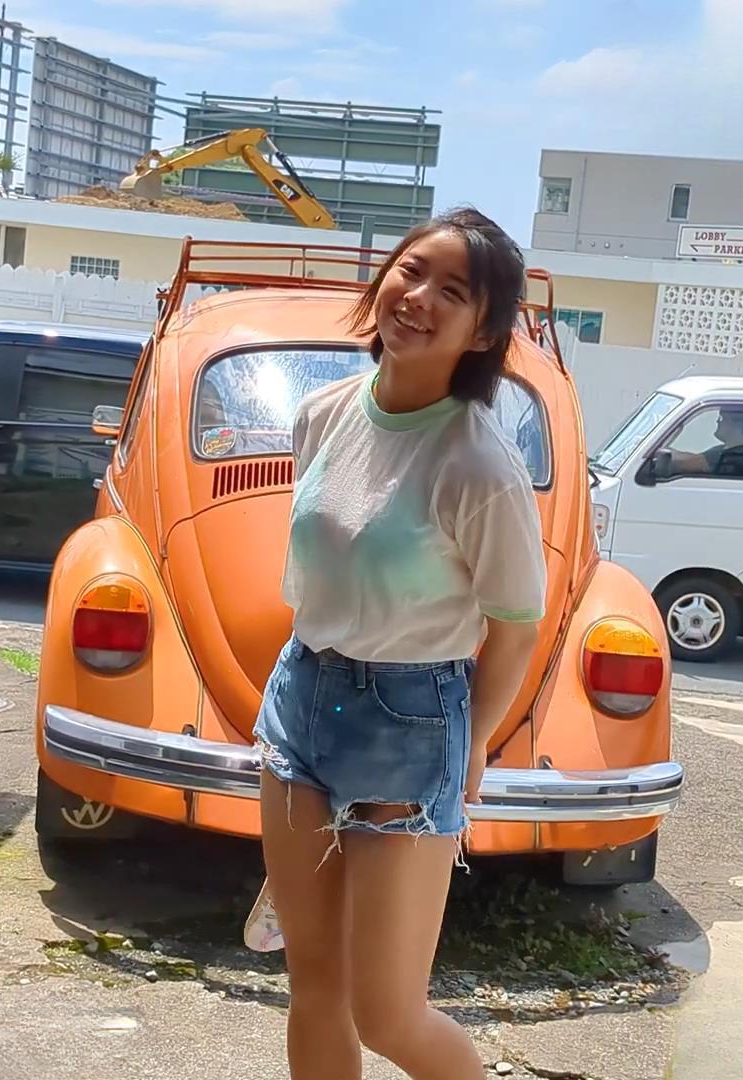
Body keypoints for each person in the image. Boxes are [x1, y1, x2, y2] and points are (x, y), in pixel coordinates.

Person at [253, 207, 546, 1080]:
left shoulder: (479, 466)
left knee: (386, 1014)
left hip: (411, 720)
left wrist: (473, 746)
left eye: (452, 291)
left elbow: (515, 629)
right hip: (303, 697)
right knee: (313, 984)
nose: (417, 298)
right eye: (411, 271)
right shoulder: (323, 414)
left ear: (483, 330)